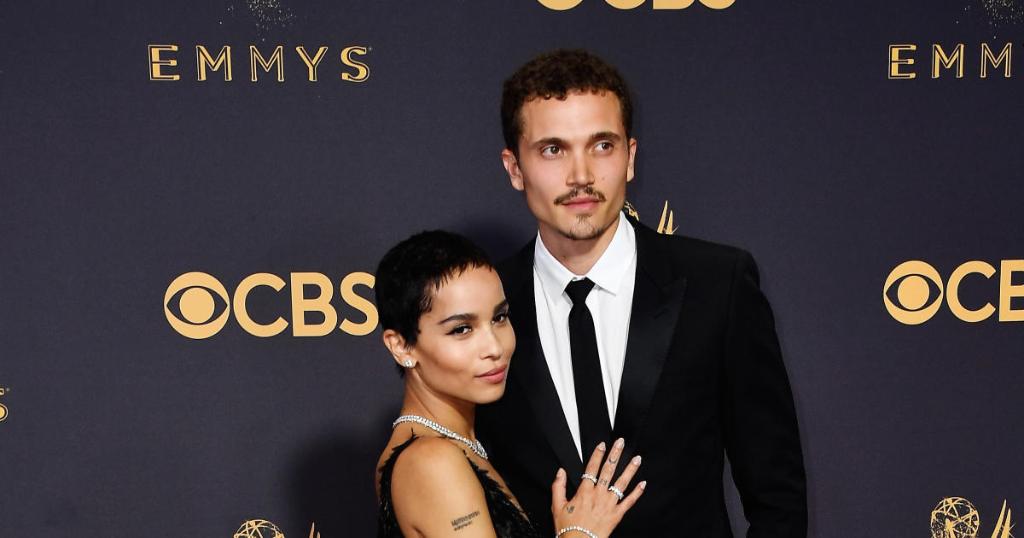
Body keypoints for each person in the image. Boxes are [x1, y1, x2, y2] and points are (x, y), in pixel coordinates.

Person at [476, 49, 808, 537]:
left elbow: (777, 495)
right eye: (553, 150)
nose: (581, 175)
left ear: (630, 157)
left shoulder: (717, 285)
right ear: (514, 168)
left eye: (602, 146)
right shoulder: (485, 304)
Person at [374, 230, 647, 538]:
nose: (495, 347)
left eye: (500, 318)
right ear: (401, 346)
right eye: (461, 329)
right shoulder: (431, 462)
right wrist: (580, 532)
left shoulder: (453, 446)